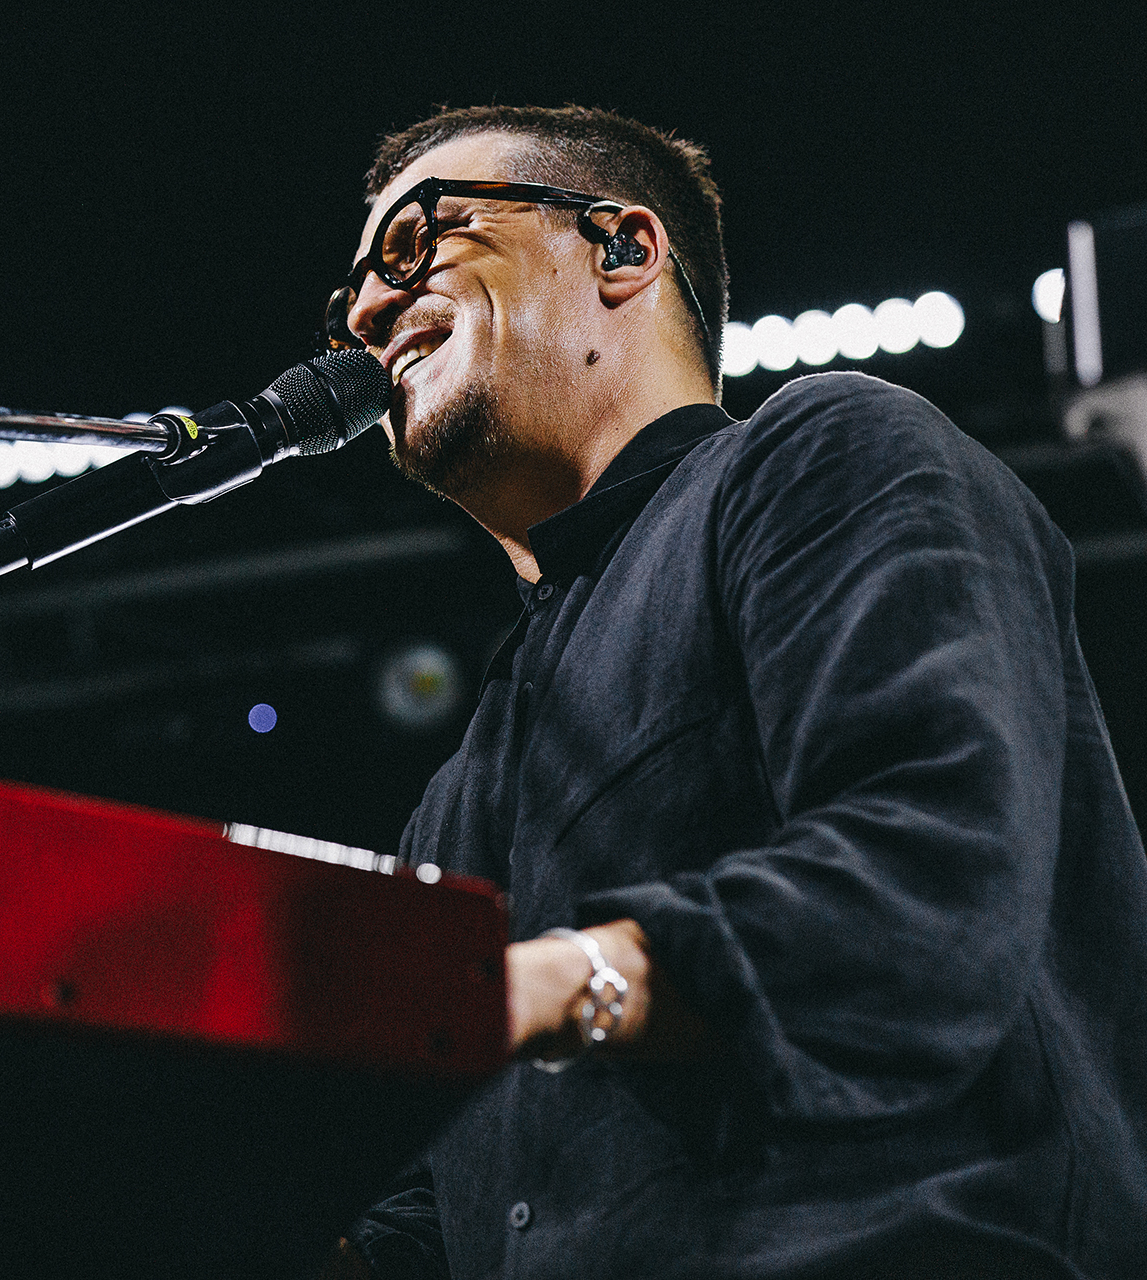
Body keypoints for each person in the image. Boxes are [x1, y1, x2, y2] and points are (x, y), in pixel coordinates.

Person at [319, 105, 1147, 1279]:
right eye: (352, 289)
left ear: (622, 247)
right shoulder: (462, 785)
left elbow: (931, 879)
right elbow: (456, 1193)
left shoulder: (826, 451)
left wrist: (554, 980)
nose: (366, 309)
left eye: (415, 243)